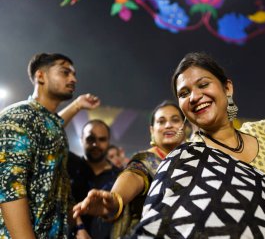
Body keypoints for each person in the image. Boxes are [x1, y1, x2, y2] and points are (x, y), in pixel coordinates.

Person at [128, 24, 265, 238]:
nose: (194, 97)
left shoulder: (260, 134)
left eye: (203, 84)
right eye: (184, 93)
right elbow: (162, 224)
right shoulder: (185, 159)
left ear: (227, 88)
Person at [0, 53, 98, 238]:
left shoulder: (51, 125)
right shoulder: (18, 117)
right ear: (40, 76)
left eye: (74, 74)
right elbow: (9, 189)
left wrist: (78, 227)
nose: (73, 79)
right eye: (65, 72)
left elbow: (61, 188)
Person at [72, 100, 187, 238]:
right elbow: (134, 175)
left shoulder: (196, 158)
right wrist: (113, 201)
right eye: (161, 121)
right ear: (152, 130)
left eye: (175, 120)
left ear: (184, 127)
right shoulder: (145, 161)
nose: (168, 125)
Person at [68, 119, 122, 239]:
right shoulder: (68, 165)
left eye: (101, 139)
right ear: (81, 139)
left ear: (108, 142)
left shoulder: (120, 176)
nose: (95, 144)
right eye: (90, 139)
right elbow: (47, 133)